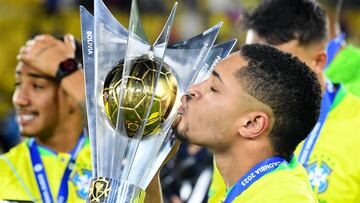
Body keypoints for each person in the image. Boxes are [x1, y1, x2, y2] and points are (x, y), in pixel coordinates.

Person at [209, 0, 360, 202]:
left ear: (318, 61)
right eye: (251, 66)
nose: (258, 78)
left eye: (275, 66)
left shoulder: (355, 129)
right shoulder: (239, 125)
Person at [160, 43, 320, 203]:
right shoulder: (258, 184)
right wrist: (152, 166)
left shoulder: (283, 198)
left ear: (252, 124)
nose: (193, 89)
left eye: (214, 88)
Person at [0, 34, 92, 202]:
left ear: (72, 96)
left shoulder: (111, 166)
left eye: (37, 86)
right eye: (18, 84)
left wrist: (67, 70)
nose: (19, 99)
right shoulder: (4, 170)